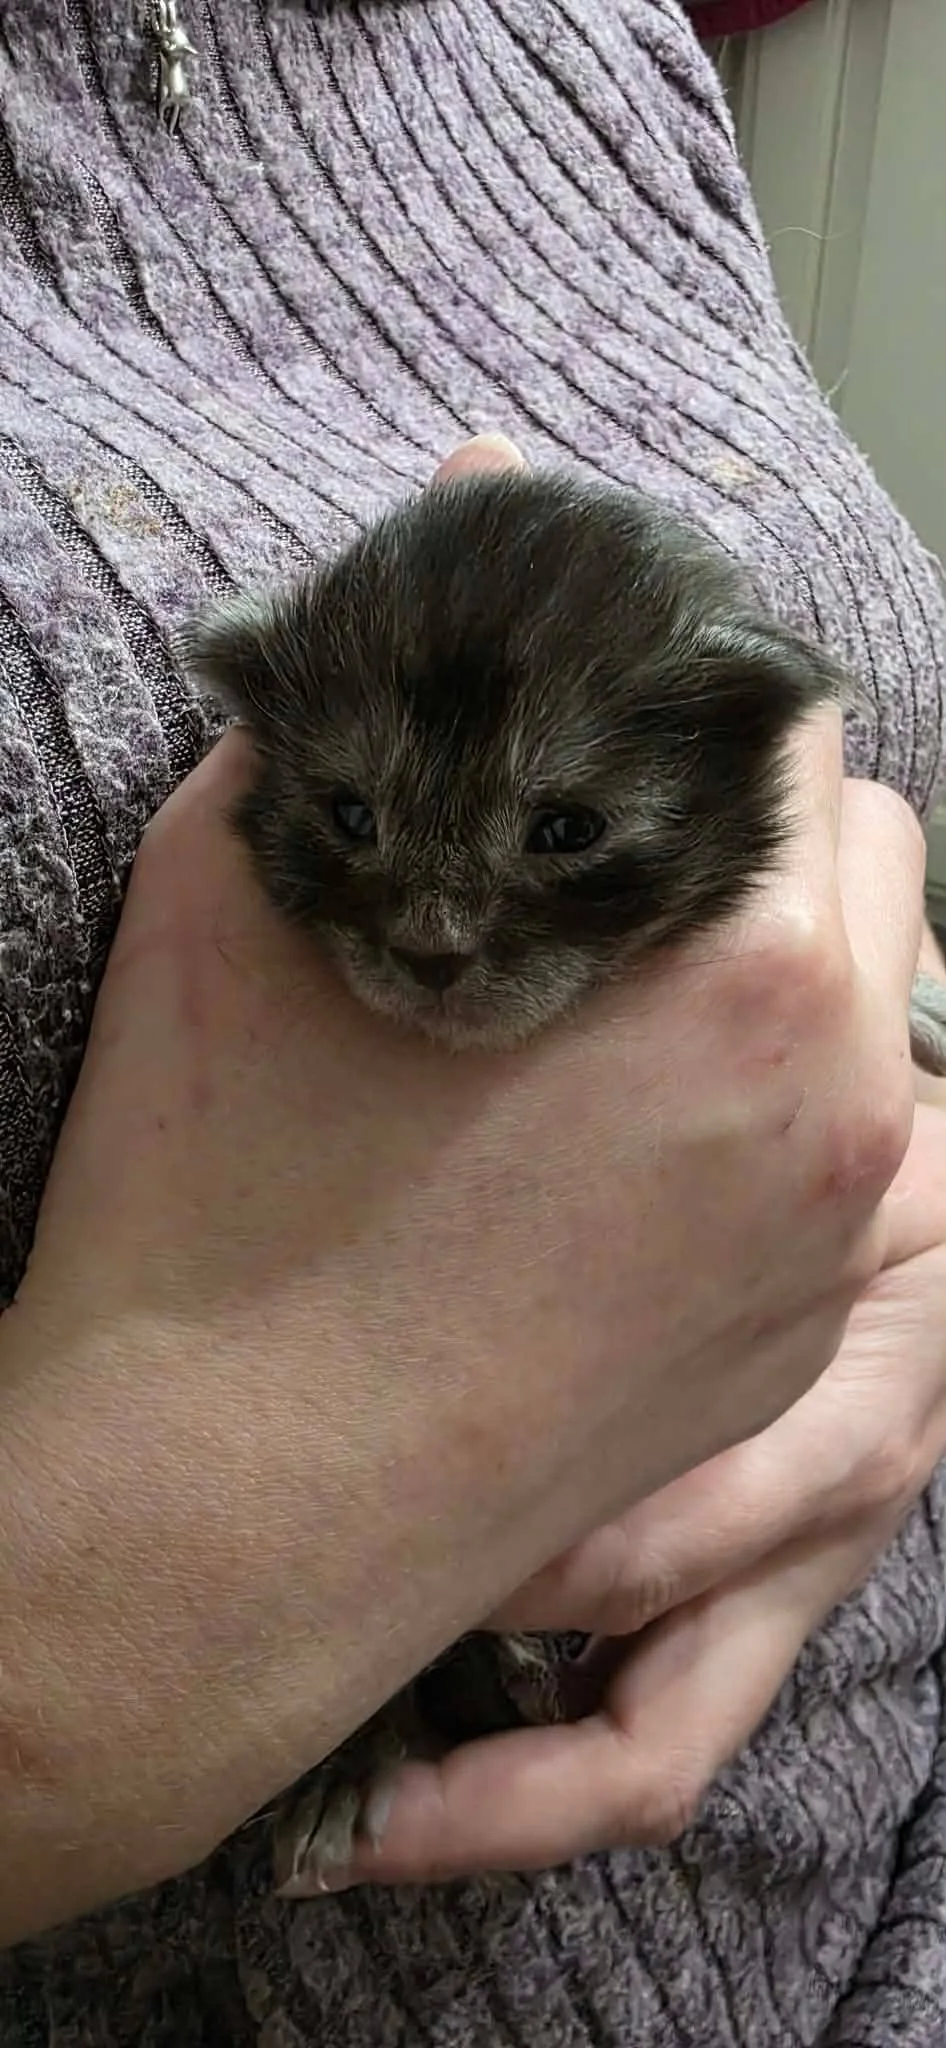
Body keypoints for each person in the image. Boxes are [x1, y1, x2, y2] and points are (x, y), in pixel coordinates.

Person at [0, 3, 943, 2043]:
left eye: (540, 839)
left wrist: (897, 1194)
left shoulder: (580, 32)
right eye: (349, 824)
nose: (428, 926)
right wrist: (90, 1668)